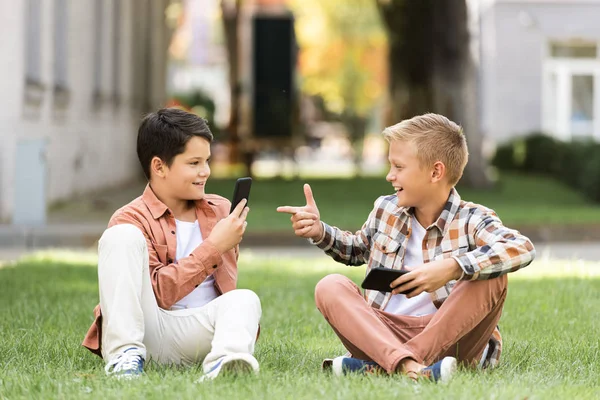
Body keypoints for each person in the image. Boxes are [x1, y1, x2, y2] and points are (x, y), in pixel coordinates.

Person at [277, 113, 535, 382]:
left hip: (450, 338)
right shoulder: (386, 208)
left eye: (399, 167)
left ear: (436, 172)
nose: (390, 176)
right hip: (384, 332)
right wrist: (319, 231)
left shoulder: (472, 218)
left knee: (492, 278)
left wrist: (451, 268)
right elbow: (356, 250)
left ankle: (391, 365)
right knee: (329, 286)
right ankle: (412, 369)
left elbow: (521, 247)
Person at [82, 108, 261, 380]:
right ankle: (124, 357)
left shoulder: (220, 210)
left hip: (201, 334)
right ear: (159, 167)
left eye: (207, 161)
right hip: (149, 330)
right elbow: (158, 295)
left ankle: (224, 361)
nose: (205, 172)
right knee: (121, 237)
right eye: (194, 163)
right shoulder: (131, 218)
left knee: (246, 299)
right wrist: (214, 246)